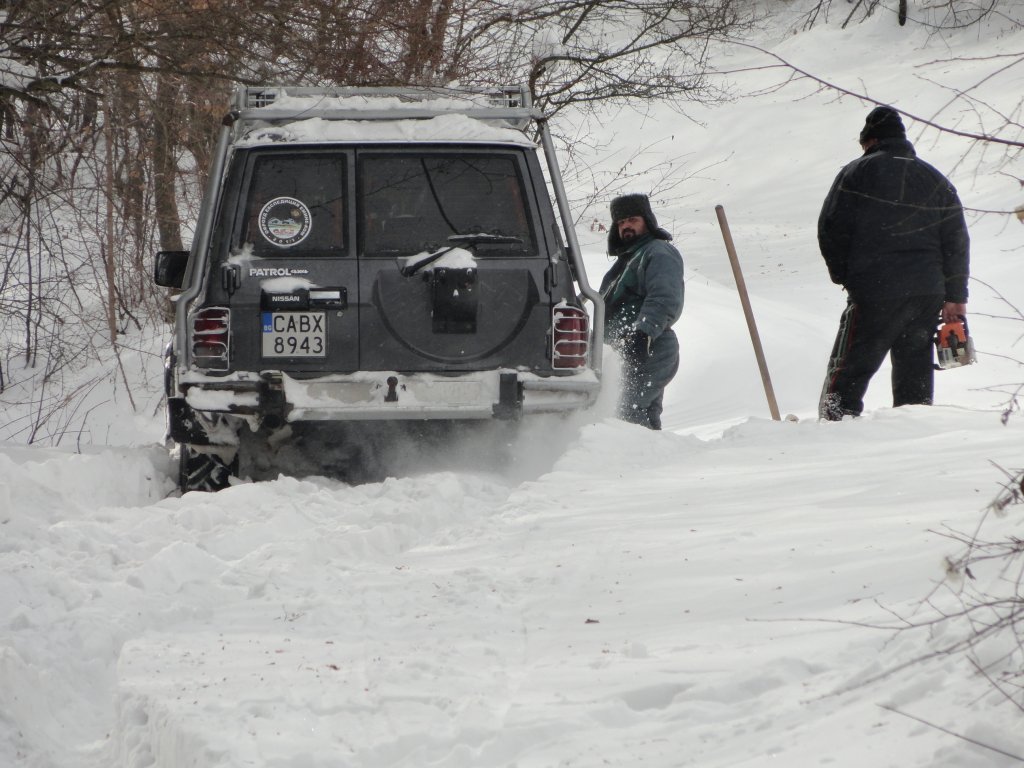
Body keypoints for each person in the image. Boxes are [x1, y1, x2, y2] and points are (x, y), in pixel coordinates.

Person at [817, 105, 970, 421]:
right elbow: (956, 240)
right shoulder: (935, 178)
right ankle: (913, 424)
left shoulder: (856, 173)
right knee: (914, 364)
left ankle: (834, 425)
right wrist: (955, 295)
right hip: (927, 291)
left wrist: (846, 276)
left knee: (854, 365)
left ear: (870, 141)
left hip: (875, 289)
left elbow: (831, 228)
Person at [599, 194, 685, 429]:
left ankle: (630, 464)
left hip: (649, 347)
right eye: (620, 222)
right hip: (628, 350)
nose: (626, 226)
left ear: (647, 220)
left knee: (626, 415)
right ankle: (651, 461)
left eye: (632, 219)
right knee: (641, 417)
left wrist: (643, 333)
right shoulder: (629, 260)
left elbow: (664, 297)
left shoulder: (657, 252)